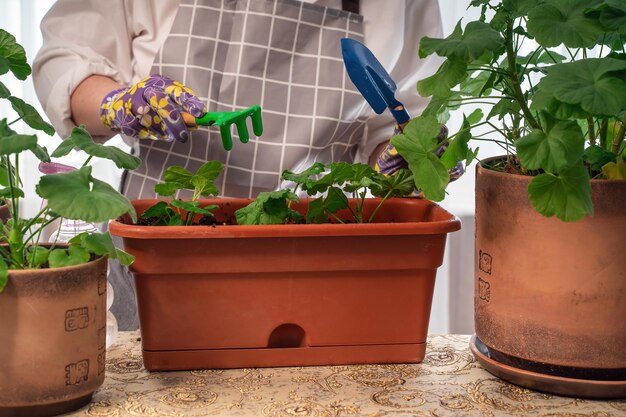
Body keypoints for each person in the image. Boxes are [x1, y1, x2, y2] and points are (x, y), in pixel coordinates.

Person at [33, 0, 451, 330]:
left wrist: (405, 156)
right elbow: (68, 60)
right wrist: (117, 102)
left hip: (318, 258)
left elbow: (397, 123)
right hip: (158, 256)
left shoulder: (399, 5)